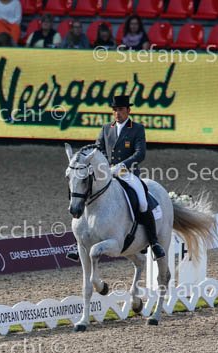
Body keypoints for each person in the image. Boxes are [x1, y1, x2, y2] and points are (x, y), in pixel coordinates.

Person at [66, 95, 166, 262]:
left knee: (142, 202)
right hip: (106, 173)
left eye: (120, 109)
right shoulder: (106, 128)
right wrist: (105, 166)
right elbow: (98, 149)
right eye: (115, 110)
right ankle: (80, 243)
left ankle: (154, 242)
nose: (117, 113)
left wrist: (123, 165)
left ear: (128, 110)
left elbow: (140, 153)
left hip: (128, 174)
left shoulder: (137, 129)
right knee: (86, 195)